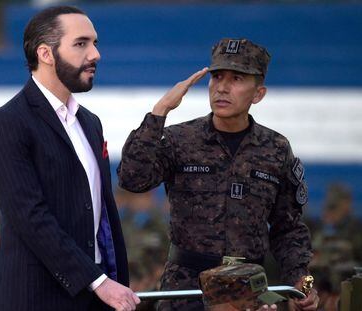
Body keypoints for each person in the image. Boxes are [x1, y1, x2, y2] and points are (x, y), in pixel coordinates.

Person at [117, 38, 319, 310]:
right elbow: (132, 178)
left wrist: (301, 282)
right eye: (217, 77)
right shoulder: (180, 139)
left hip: (249, 293)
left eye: (236, 79)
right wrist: (160, 111)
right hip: (186, 291)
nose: (222, 87)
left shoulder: (276, 149)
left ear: (258, 94)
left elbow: (289, 228)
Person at [0, 6, 139, 311]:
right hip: (37, 297)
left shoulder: (90, 123)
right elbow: (30, 217)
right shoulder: (10, 122)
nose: (95, 54)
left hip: (98, 295)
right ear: (46, 53)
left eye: (95, 43)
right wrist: (97, 280)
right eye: (81, 44)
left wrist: (109, 281)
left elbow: (102, 216)